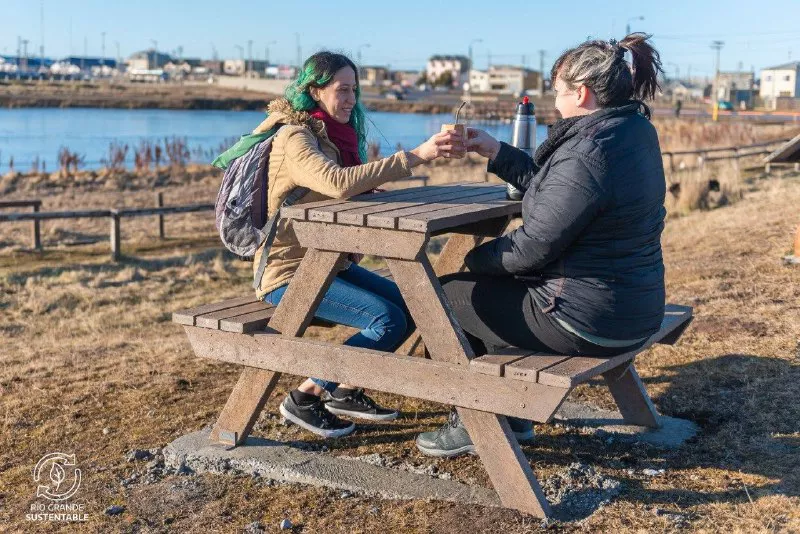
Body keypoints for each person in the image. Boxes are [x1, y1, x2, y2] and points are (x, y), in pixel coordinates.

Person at [415, 33, 667, 457]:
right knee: (491, 295)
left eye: (559, 92)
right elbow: (562, 194)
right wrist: (496, 151)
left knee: (446, 295)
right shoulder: (631, 131)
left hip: (588, 319)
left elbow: (532, 247)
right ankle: (512, 414)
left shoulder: (587, 150)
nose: (555, 103)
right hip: (635, 308)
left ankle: (479, 420)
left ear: (582, 93)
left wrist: (476, 259)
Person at [252, 51, 463, 439]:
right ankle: (306, 396)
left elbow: (341, 185)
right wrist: (417, 155)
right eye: (341, 90)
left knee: (416, 304)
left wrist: (367, 187)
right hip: (286, 275)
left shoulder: (333, 135)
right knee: (387, 319)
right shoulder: (296, 136)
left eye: (355, 90)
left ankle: (346, 391)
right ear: (314, 91)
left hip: (331, 264)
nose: (351, 99)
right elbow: (336, 182)